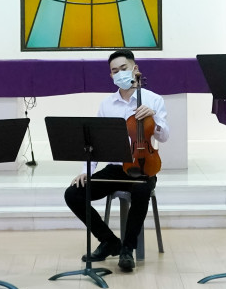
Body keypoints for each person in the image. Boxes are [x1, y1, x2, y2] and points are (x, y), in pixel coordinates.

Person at [63, 49, 169, 272]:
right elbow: (95, 143)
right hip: (115, 168)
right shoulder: (107, 104)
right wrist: (87, 171)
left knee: (141, 191)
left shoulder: (154, 99)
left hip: (143, 166)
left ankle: (127, 249)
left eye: (124, 68)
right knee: (73, 193)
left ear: (134, 69)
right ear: (110, 75)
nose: (120, 73)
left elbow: (164, 136)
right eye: (115, 71)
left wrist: (154, 118)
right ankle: (109, 241)